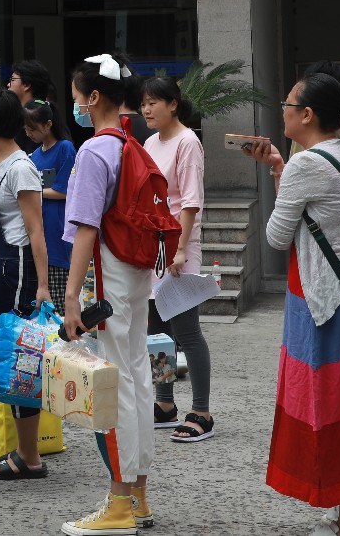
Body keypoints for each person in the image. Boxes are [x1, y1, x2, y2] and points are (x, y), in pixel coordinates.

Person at [247, 70, 340, 536]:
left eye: (288, 104)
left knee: (336, 411)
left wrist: (281, 176)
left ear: (306, 115)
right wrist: (279, 169)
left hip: (326, 304)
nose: (283, 110)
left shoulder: (307, 164)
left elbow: (276, 237)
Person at [59, 53, 157, 536]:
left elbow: (85, 229)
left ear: (94, 97)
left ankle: (118, 505)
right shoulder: (130, 144)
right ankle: (137, 495)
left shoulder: (95, 151)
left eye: (77, 97)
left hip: (110, 277)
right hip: (136, 275)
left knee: (113, 385)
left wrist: (71, 297)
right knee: (137, 376)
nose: (75, 106)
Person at [0, 88, 51, 481]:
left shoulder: (20, 167)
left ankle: (30, 458)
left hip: (19, 271)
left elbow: (35, 231)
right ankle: (24, 451)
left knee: (22, 361)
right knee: (11, 358)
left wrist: (43, 286)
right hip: (2, 269)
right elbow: (1, 228)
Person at [140, 75, 214, 441]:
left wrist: (181, 248)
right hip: (154, 247)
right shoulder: (149, 142)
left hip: (179, 246)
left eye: (153, 102)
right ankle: (165, 403)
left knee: (187, 331)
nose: (146, 109)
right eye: (143, 103)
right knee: (157, 331)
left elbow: (190, 202)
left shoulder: (188, 141)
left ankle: (201, 411)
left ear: (173, 104)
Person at [25, 100, 75, 319]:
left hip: (58, 230)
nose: (29, 133)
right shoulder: (33, 155)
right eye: (26, 129)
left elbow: (65, 190)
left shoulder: (65, 148)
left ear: (48, 124)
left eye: (33, 128)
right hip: (39, 229)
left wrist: (32, 193)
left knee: (60, 307)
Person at [7, 59, 56, 151]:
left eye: (13, 80)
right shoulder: (14, 119)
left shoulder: (44, 118)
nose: (8, 85)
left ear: (26, 85)